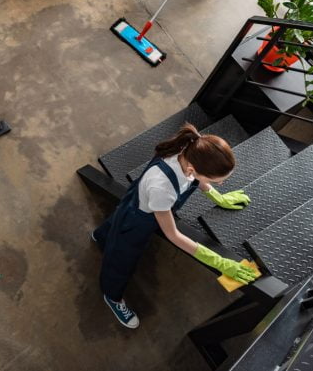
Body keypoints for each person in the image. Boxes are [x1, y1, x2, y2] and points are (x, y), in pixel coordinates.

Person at [92, 124, 258, 328]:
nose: (219, 184)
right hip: (139, 219)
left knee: (116, 221)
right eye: (216, 182)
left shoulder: (190, 149)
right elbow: (173, 235)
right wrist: (220, 262)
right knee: (122, 258)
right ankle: (112, 295)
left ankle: (101, 236)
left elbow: (197, 179)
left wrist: (218, 197)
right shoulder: (163, 188)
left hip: (142, 198)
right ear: (192, 169)